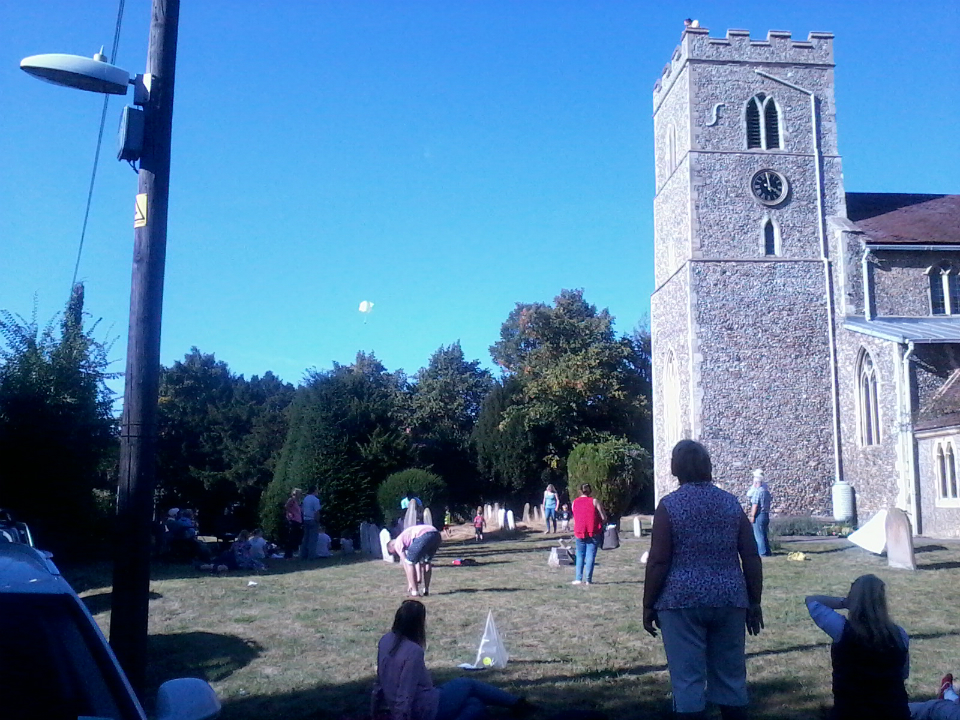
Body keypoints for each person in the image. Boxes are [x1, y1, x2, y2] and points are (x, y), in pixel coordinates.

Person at [643, 440, 763, 720]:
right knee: (731, 678)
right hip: (730, 598)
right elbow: (751, 555)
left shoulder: (669, 506)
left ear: (675, 468)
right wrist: (754, 601)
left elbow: (658, 560)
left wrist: (648, 604)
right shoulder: (730, 503)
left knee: (687, 682)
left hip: (680, 600)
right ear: (707, 466)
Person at [372, 600, 532, 720]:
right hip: (424, 709)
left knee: (475, 705)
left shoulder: (384, 641)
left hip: (419, 702)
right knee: (468, 685)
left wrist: (374, 710)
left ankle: (516, 704)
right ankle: (517, 703)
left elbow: (379, 682)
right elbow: (405, 692)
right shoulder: (413, 651)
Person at [806, 574, 910, 720]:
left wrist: (844, 602)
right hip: (894, 712)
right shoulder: (900, 635)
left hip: (851, 712)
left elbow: (812, 601)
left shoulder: (841, 629)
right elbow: (904, 674)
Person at [388, 524, 442, 597]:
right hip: (436, 534)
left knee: (409, 562)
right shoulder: (406, 537)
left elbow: (406, 563)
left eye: (394, 552)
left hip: (423, 535)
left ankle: (415, 592)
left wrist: (410, 582)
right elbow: (417, 561)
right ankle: (426, 590)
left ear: (392, 545)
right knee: (426, 561)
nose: (397, 554)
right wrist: (418, 577)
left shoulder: (397, 542)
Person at [571, 483, 606, 585]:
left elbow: (575, 516)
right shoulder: (594, 501)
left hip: (579, 531)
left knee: (580, 555)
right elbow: (603, 517)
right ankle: (588, 579)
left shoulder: (575, 502)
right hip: (593, 531)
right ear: (590, 491)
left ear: (580, 491)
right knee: (590, 555)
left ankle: (578, 578)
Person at [747, 470, 772, 557]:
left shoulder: (758, 492)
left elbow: (755, 504)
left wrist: (752, 515)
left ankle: (762, 553)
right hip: (766, 514)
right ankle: (767, 551)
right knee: (764, 534)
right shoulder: (766, 491)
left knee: (758, 535)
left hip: (759, 514)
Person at [300, 486, 321, 560]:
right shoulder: (315, 500)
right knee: (313, 539)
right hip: (312, 519)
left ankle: (303, 554)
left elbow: (302, 509)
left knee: (305, 538)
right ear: (314, 491)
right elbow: (317, 512)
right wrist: (317, 520)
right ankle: (311, 555)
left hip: (305, 519)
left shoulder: (305, 499)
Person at [284, 488, 303, 559]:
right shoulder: (291, 500)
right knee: (291, 538)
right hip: (293, 520)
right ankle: (288, 554)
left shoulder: (299, 501)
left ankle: (293, 552)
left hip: (298, 521)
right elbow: (286, 506)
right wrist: (291, 513)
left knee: (296, 537)